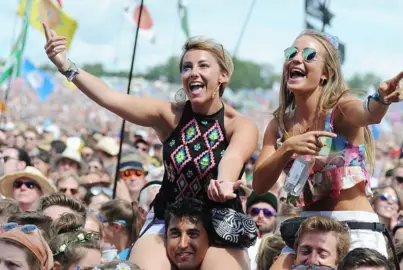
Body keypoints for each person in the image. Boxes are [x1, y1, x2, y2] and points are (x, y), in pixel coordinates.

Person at [43, 23, 258, 270]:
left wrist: (224, 183)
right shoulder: (169, 115)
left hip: (219, 221)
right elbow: (111, 98)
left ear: (223, 76)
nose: (193, 72)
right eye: (187, 67)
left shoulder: (239, 124)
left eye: (203, 65)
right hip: (169, 220)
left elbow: (233, 157)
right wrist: (66, 66)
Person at [253, 29, 403, 267]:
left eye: (308, 55)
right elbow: (259, 184)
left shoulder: (340, 108)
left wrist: (382, 99)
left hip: (355, 228)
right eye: (291, 53)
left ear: (326, 73)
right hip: (309, 230)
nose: (296, 59)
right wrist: (287, 148)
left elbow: (368, 114)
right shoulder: (279, 124)